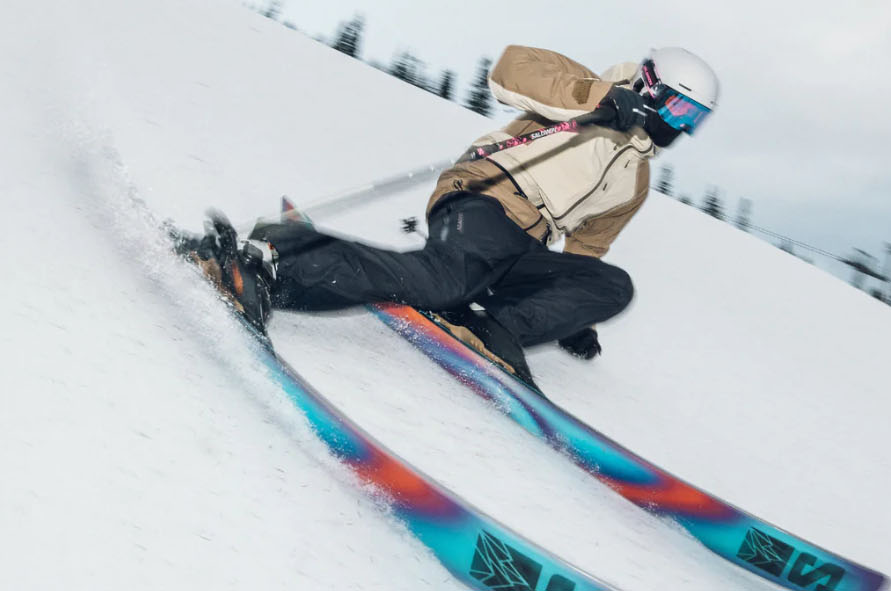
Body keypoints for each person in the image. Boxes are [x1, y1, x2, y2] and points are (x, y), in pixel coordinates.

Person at [199, 45, 719, 377]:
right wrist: (599, 97)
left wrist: (571, 317)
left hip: (523, 248)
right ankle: (273, 257)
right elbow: (511, 69)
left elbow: (589, 246)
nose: (679, 125)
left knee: (613, 285)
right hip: (486, 196)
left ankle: (491, 327)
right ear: (649, 85)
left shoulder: (637, 179)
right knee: (446, 279)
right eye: (677, 107)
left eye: (692, 118)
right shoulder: (586, 90)